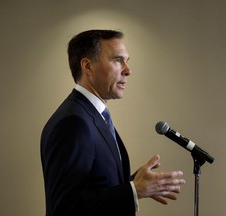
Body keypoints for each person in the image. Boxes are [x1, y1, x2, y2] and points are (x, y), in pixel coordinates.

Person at [40, 29, 186, 216]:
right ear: (88, 66)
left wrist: (134, 183)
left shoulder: (92, 114)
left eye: (127, 61)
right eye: (118, 60)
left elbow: (94, 186)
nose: (128, 70)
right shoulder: (73, 122)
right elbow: (65, 207)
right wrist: (133, 191)